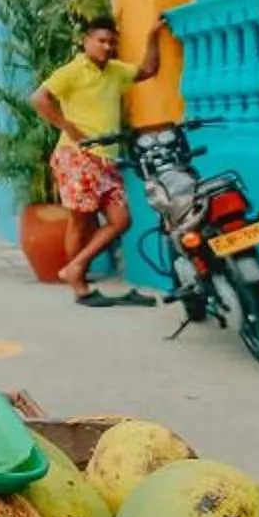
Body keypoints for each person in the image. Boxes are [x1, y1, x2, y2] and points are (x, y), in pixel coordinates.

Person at [34, 15, 167, 306]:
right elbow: (40, 98)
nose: (106, 47)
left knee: (121, 220)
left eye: (111, 42)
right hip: (77, 156)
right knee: (81, 223)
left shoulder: (116, 72)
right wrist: (69, 128)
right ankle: (79, 286)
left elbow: (148, 69)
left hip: (107, 158)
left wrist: (153, 35)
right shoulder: (72, 71)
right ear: (87, 42)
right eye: (101, 41)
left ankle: (74, 268)